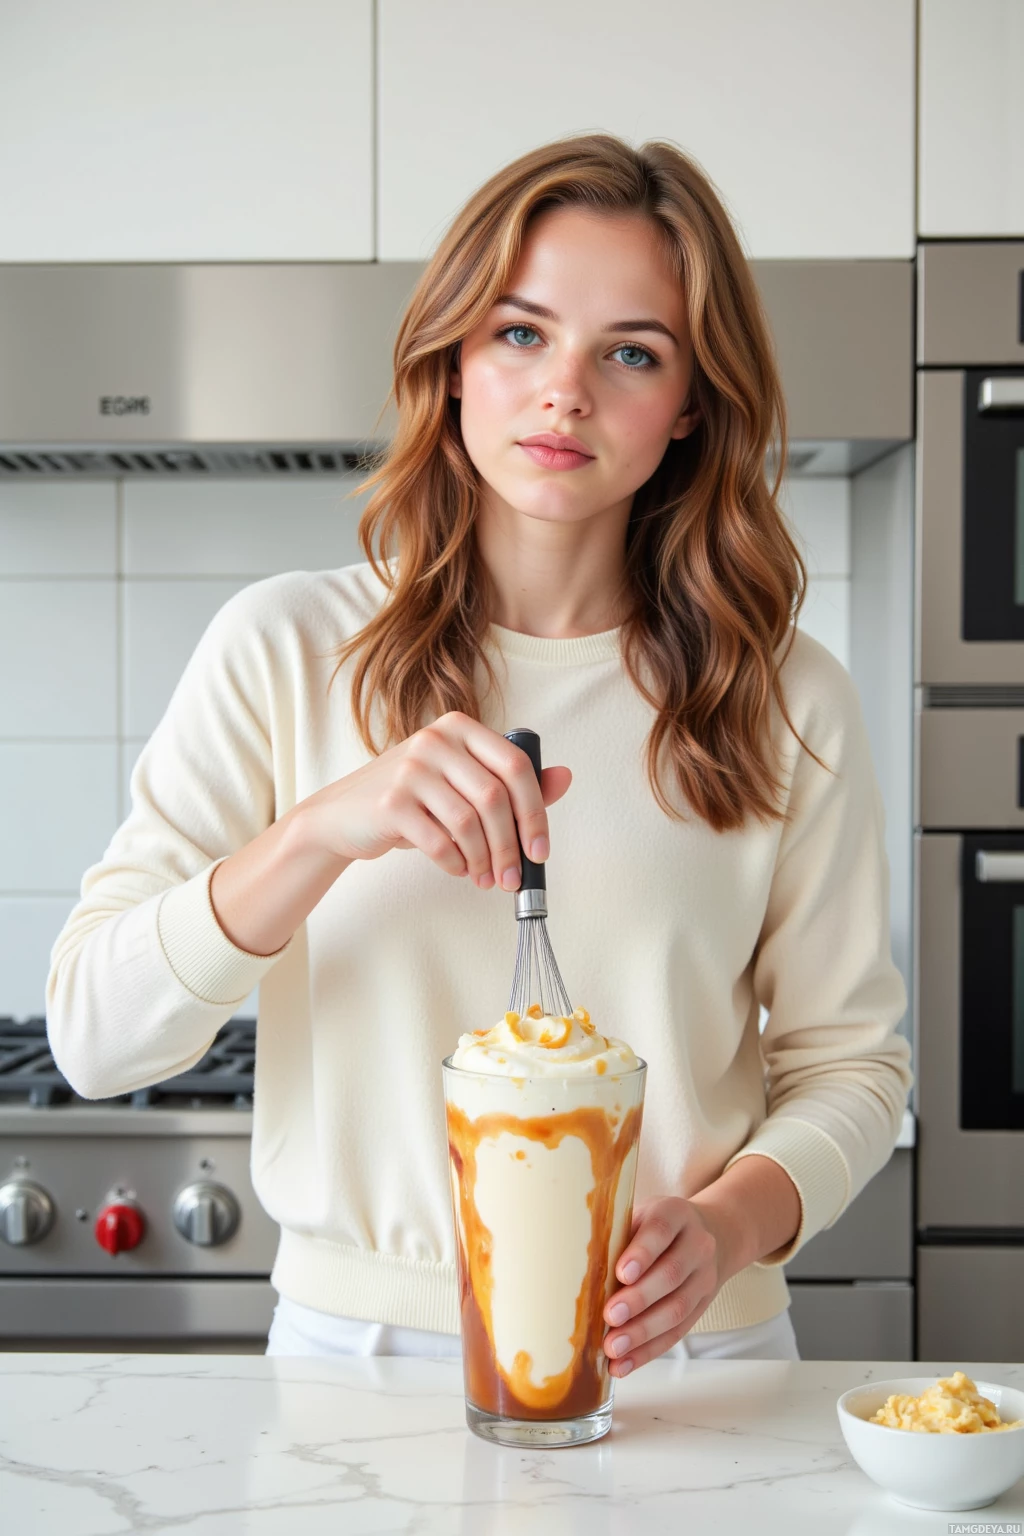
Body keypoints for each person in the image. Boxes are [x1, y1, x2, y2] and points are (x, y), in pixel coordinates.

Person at [46, 132, 913, 1371]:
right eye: (520, 332)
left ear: (688, 409)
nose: (566, 390)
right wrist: (319, 833)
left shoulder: (783, 699)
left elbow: (850, 1068)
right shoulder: (284, 648)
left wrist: (729, 1227)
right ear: (451, 360)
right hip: (356, 1370)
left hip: (682, 1368)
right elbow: (94, 1035)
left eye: (630, 352)